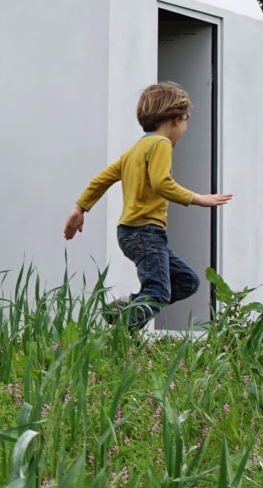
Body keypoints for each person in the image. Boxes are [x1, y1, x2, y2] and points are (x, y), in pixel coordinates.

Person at [63, 81, 232, 330]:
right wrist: (198, 199)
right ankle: (121, 336)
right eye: (185, 121)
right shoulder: (161, 144)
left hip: (131, 233)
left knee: (187, 280)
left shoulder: (135, 149)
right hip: (146, 232)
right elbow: (162, 183)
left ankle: (126, 308)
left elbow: (101, 180)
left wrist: (79, 209)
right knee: (158, 292)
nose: (185, 128)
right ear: (175, 119)